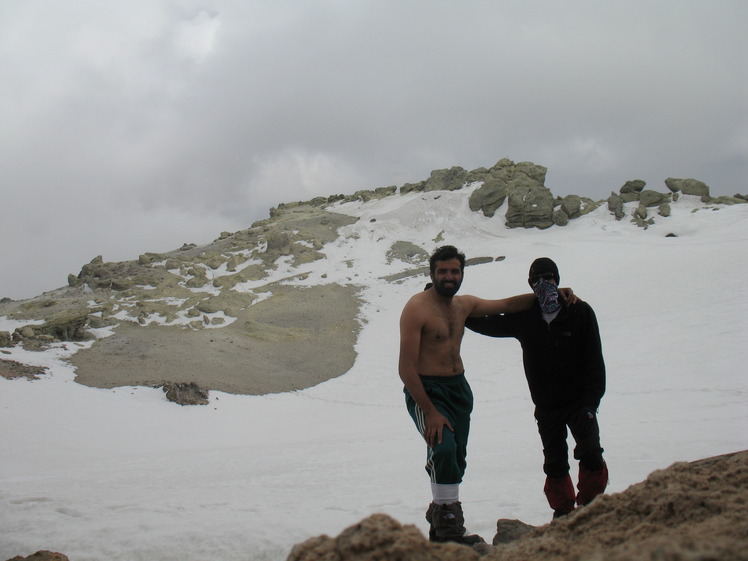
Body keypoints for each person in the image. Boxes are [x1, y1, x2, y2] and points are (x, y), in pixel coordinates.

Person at [398, 246, 574, 544]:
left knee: (457, 457)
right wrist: (429, 410)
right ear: (432, 274)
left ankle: (439, 517)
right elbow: (405, 368)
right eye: (443, 271)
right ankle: (451, 525)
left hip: (458, 390)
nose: (449, 276)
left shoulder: (463, 305)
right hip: (428, 390)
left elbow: (505, 304)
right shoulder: (416, 308)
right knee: (442, 448)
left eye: (455, 271)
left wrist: (554, 293)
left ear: (462, 274)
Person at [465, 257, 608, 519]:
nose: (543, 284)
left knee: (590, 451)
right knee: (554, 463)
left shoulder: (580, 312)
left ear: (558, 279)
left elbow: (595, 360)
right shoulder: (525, 317)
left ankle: (592, 508)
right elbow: (488, 323)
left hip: (579, 401)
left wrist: (591, 403)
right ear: (530, 284)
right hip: (547, 406)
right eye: (537, 280)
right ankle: (563, 513)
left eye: (549, 278)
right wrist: (453, 310)